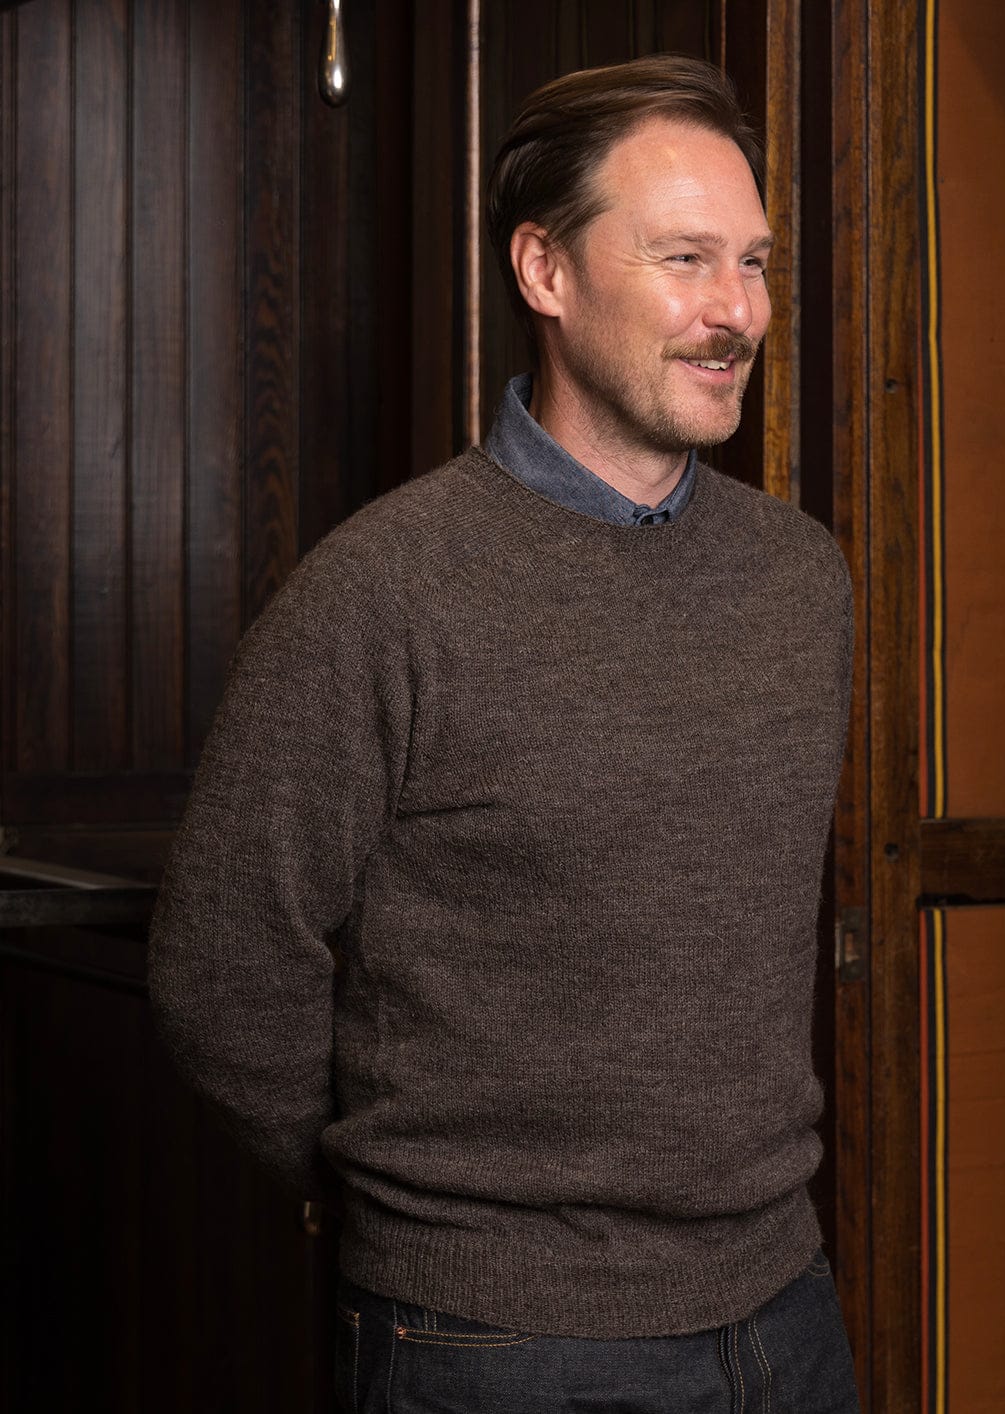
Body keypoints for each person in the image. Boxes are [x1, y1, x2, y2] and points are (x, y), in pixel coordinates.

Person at [148, 54, 859, 1414]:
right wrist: (398, 1189)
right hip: (491, 1341)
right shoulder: (383, 592)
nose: (737, 313)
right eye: (686, 259)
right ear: (544, 271)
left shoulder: (801, 581)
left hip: (785, 1314)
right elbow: (222, 966)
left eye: (755, 262)